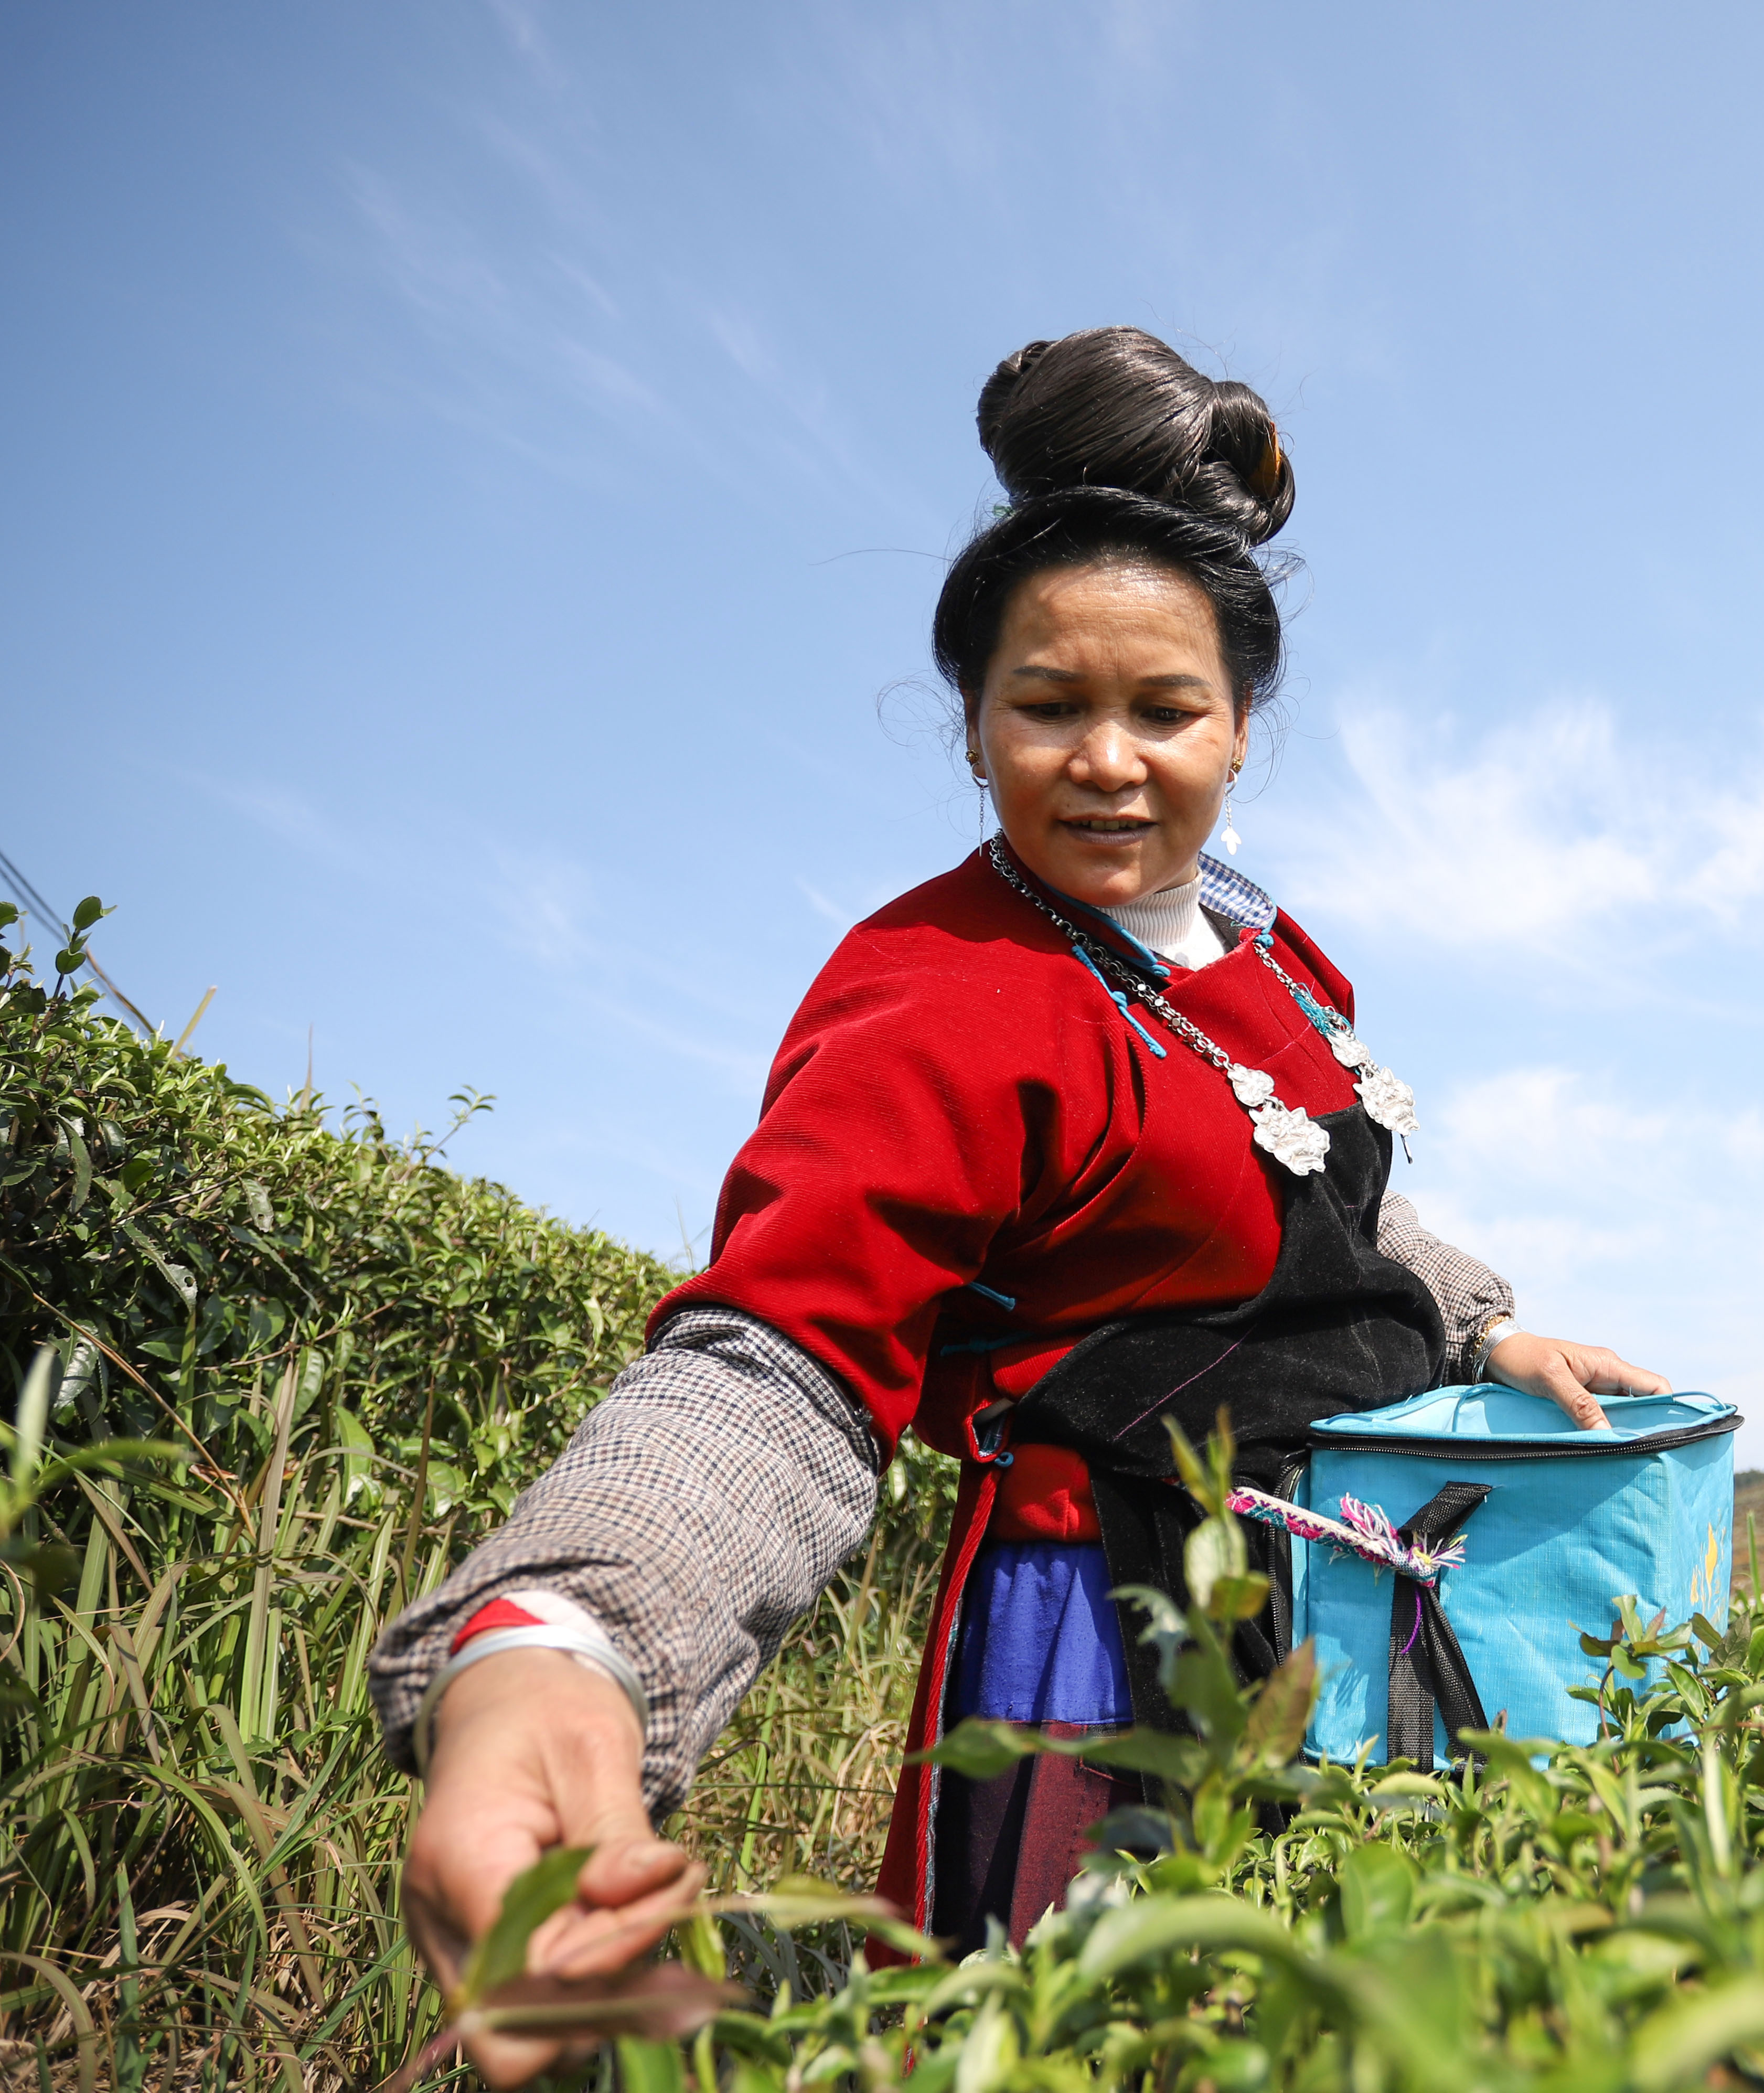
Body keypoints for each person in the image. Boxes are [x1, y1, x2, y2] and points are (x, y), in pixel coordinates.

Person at [370, 326, 1669, 2088]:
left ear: (1242, 726)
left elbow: (1332, 1203)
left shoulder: (1275, 954)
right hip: (1101, 1622)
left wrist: (1480, 1316)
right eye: (1048, 706)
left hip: (1334, 1592)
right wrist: (560, 1643)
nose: (1109, 763)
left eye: (1165, 711)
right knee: (1096, 2024)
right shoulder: (943, 989)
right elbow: (787, 1354)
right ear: (972, 721)